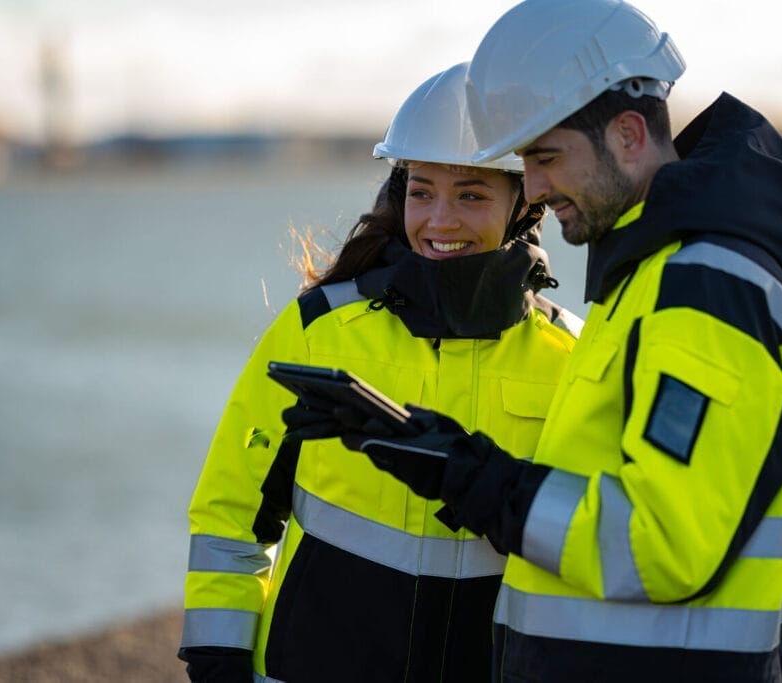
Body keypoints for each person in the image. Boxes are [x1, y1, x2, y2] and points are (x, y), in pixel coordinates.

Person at [314, 1, 782, 681]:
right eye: (527, 161)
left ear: (628, 134)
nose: (533, 188)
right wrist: (458, 455)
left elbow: (660, 544)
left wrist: (471, 479)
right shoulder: (649, 279)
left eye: (548, 156)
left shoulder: (705, 289)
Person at [176, 62, 581, 683]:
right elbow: (231, 513)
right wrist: (218, 659)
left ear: (525, 204)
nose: (439, 221)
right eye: (422, 191)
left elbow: (593, 544)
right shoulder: (320, 329)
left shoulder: (574, 356)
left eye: (471, 194)